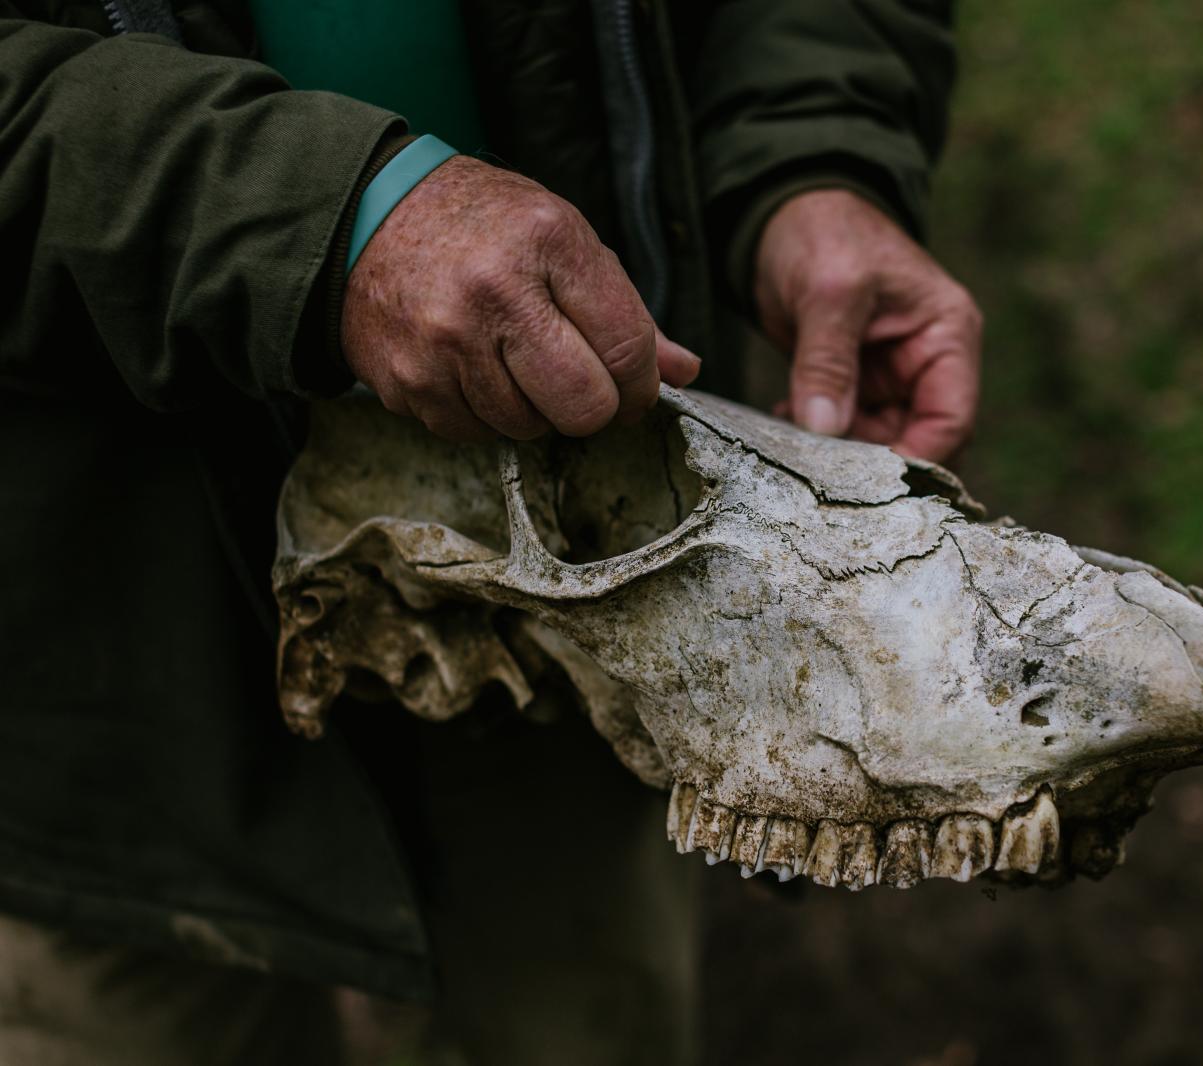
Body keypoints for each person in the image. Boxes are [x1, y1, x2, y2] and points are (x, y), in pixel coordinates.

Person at [0, 0, 982, 1061]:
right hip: (94, 617)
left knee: (578, 1003)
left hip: (584, 546)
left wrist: (809, 152)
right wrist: (326, 217)